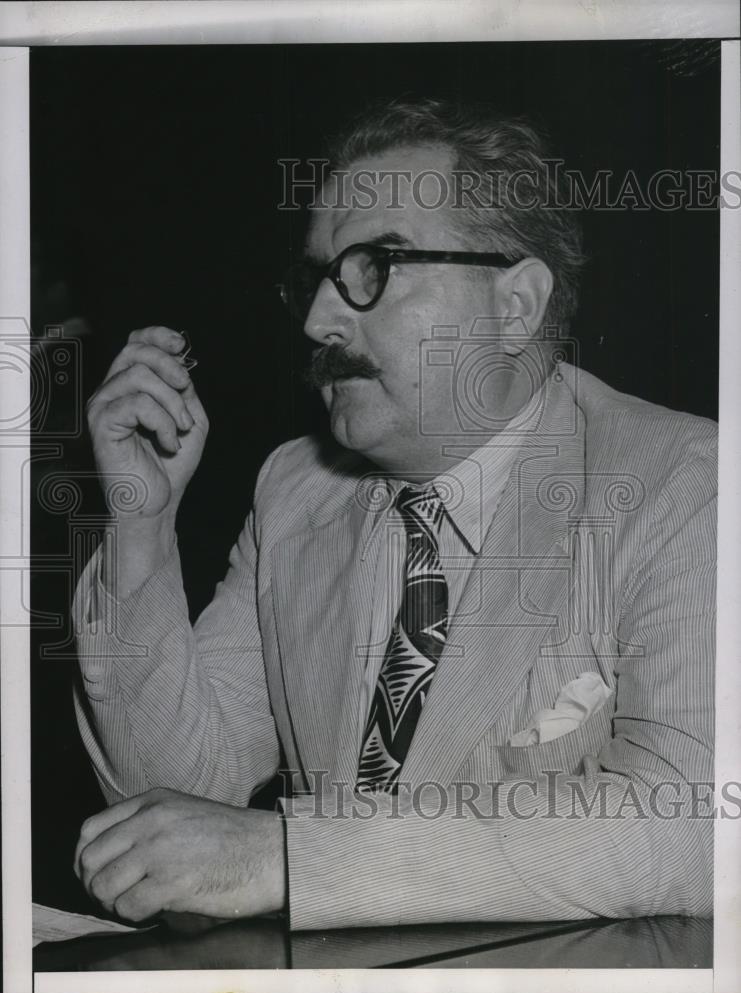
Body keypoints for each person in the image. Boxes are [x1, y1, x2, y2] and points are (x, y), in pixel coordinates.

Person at [72, 99, 716, 930]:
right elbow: (167, 811)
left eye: (373, 266)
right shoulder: (294, 489)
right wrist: (139, 526)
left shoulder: (682, 485)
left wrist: (292, 859)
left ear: (514, 305)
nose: (316, 322)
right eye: (315, 278)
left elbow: (692, 823)